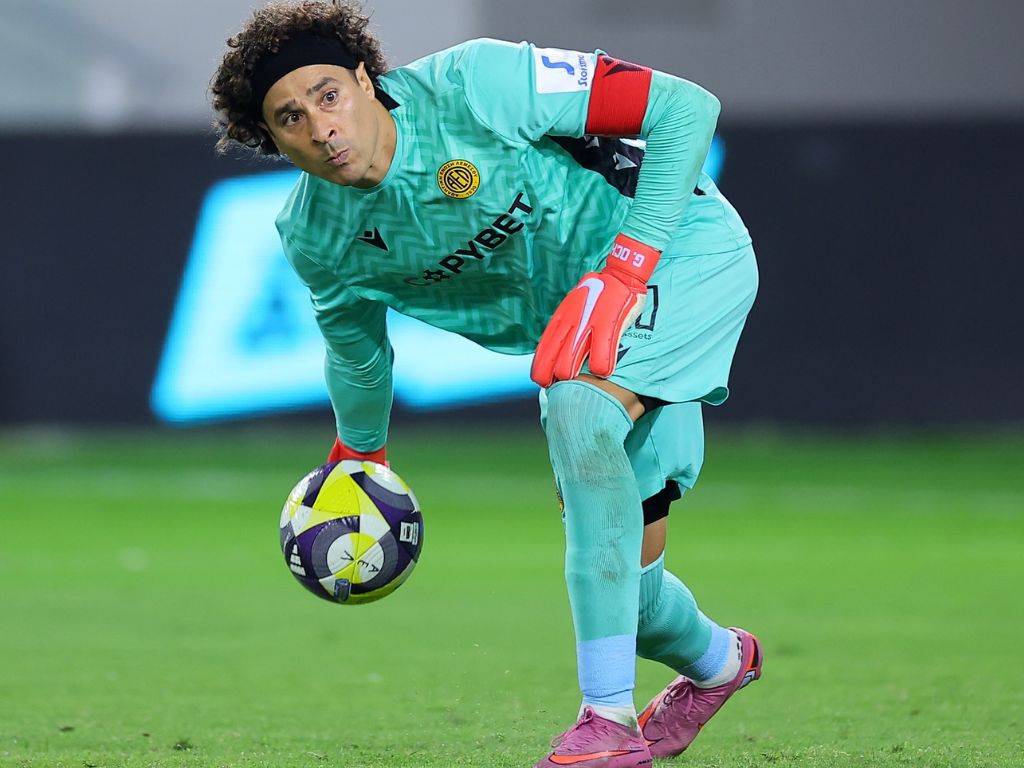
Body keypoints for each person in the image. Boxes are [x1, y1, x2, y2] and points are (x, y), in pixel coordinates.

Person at [212, 2, 763, 765]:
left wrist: (625, 268)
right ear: (272, 141)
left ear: (365, 80)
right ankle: (721, 663)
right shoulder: (317, 236)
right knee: (628, 598)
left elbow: (684, 108)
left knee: (577, 408)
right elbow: (359, 354)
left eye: (328, 94)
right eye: (290, 118)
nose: (321, 127)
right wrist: (360, 456)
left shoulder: (477, 85)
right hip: (585, 331)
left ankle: (607, 722)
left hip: (678, 249)